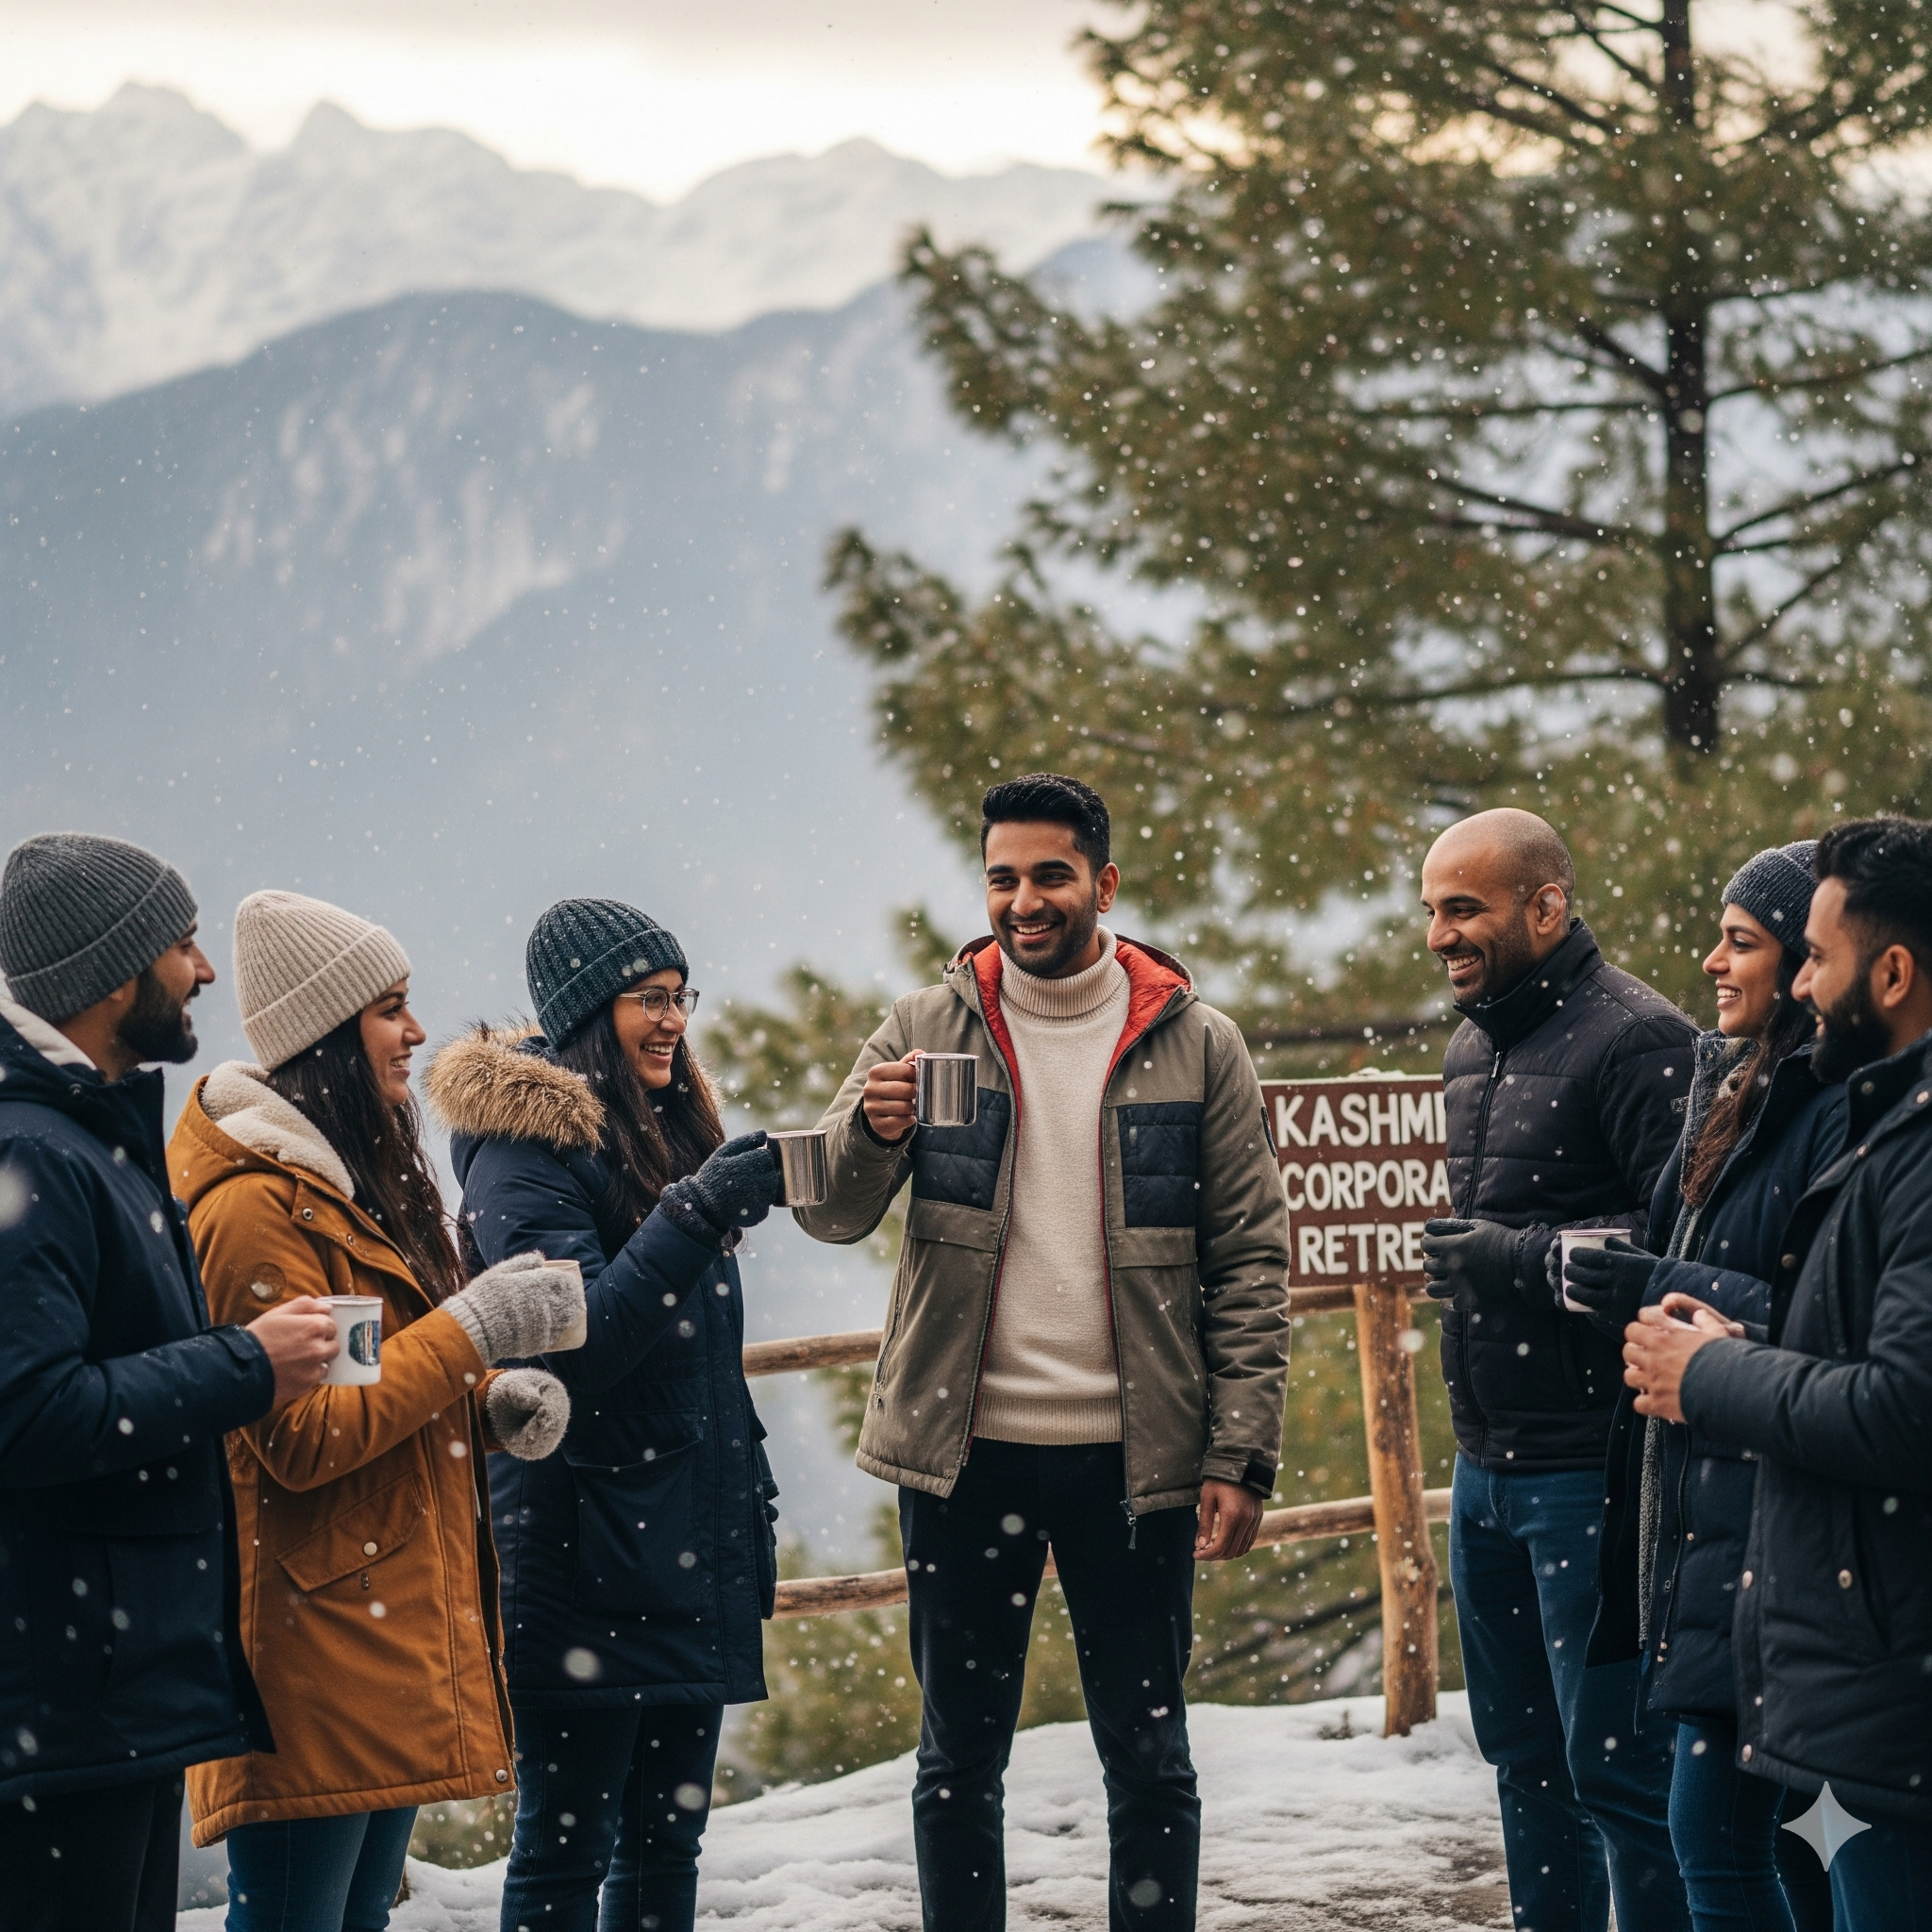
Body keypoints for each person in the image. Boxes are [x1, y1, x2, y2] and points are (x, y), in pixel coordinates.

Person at [793, 773, 1291, 1932]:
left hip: (1137, 1458)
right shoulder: (923, 1026)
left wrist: (1242, 1447)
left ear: (1102, 884)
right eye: (1002, 876)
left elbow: (1251, 1262)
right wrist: (866, 1133)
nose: (1024, 899)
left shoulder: (1196, 1042)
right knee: (957, 1758)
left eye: (1049, 874)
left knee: (1149, 1754)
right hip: (964, 1459)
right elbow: (825, 1208)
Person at [168, 891, 584, 1932]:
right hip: (314, 1644)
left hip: (369, 1623)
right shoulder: (255, 1208)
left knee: (349, 1916)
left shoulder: (329, 1185)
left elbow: (356, 1376)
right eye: (389, 1009)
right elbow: (301, 1436)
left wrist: (486, 1401)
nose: (413, 1032)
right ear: (326, 1032)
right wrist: (471, 1333)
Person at [0, 836, 341, 1932]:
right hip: (66, 1699)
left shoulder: (88, 1134)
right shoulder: (38, 1155)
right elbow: (27, 1413)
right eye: (181, 944)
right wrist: (253, 1361)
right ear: (112, 975)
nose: (203, 970)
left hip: (108, 1686)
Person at [425, 897, 787, 1932]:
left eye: (680, 995)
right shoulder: (519, 1150)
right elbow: (577, 1340)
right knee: (565, 1849)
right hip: (586, 1550)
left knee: (666, 1842)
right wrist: (698, 1208)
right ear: (591, 1010)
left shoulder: (656, 1125)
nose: (672, 1018)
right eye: (647, 997)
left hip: (679, 1536)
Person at [1624, 816, 1932, 1932]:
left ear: (1888, 971)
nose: (1800, 983)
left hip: (1887, 1634)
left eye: (1811, 954)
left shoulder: (1906, 1144)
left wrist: (1710, 1370)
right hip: (1855, 1619)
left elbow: (1902, 1404)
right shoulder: (1877, 1123)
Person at [1418, 808, 1694, 1932]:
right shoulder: (1469, 1041)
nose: (1438, 934)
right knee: (1522, 1761)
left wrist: (1513, 1262)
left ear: (1545, 905)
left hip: (1597, 1469)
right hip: (1484, 1469)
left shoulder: (1638, 1038)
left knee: (1621, 1777)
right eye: (1429, 910)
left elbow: (1687, 1257)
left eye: (1462, 908)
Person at [1576, 844, 1840, 1932]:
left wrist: (1654, 1283)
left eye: (1742, 941)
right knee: (1735, 1835)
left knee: (1716, 1840)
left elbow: (1825, 1306)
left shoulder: (1827, 1107)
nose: (1711, 961)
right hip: (1703, 1517)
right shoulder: (1729, 1089)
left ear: (1806, 963)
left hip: (1766, 1524)